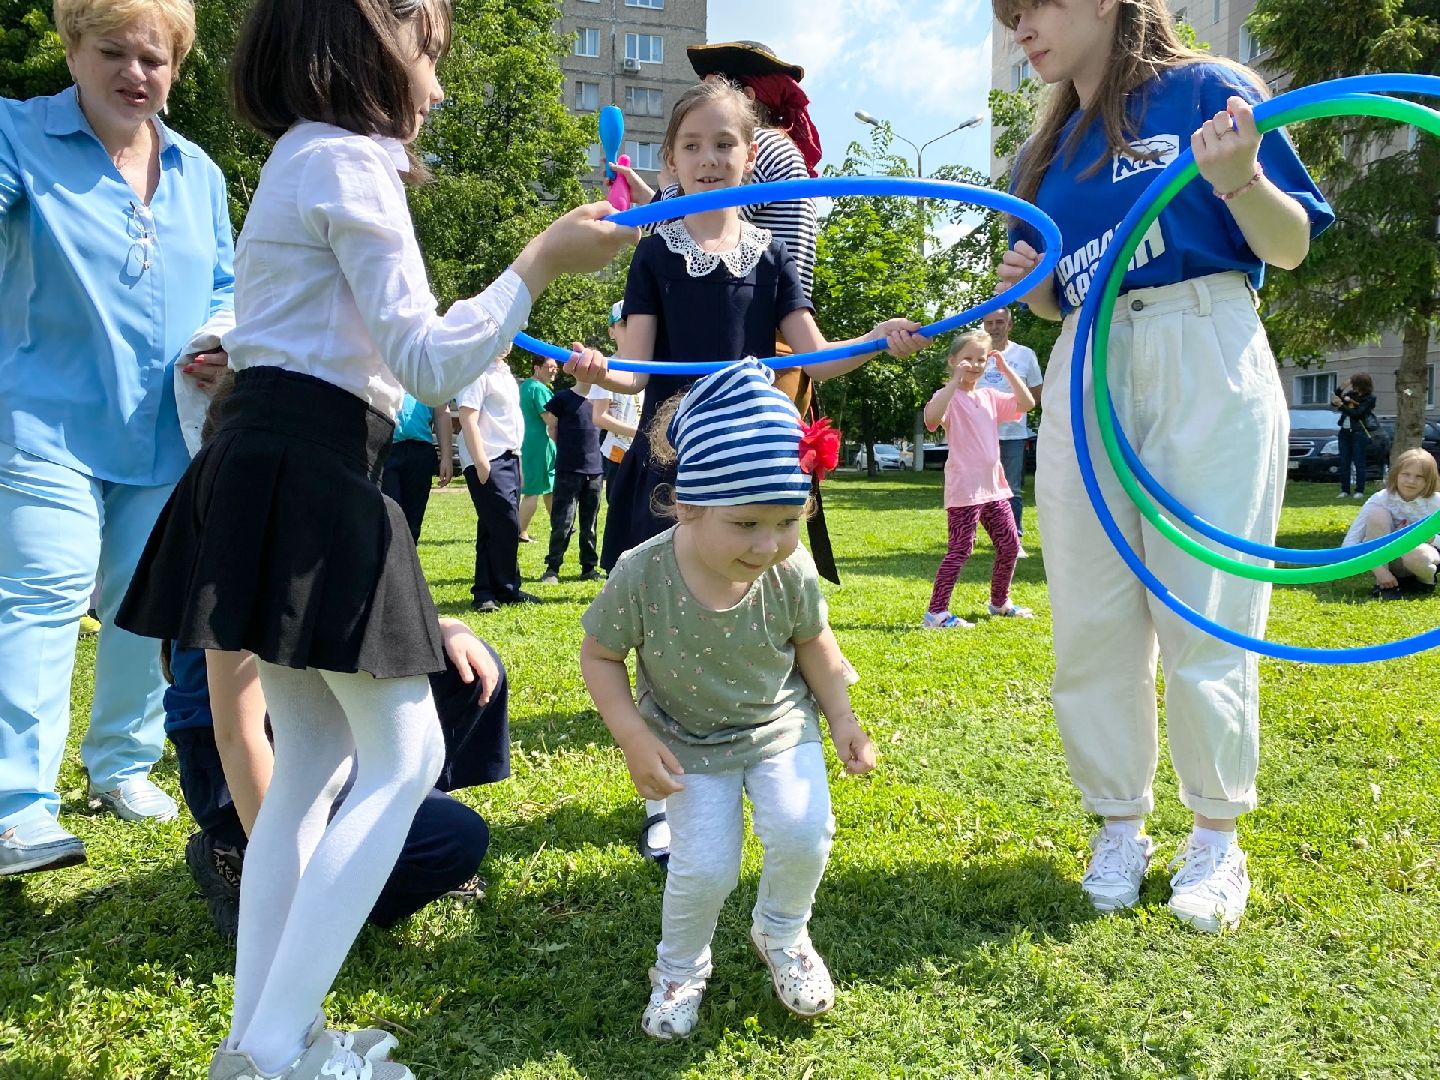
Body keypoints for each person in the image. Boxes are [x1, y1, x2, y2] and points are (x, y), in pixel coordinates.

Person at [114, 0, 635, 1076]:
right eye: (429, 51)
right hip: (305, 463)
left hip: (277, 454)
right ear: (368, 40)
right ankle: (271, 1045)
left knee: (312, 763)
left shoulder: (309, 161)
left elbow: (394, 347)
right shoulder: (348, 163)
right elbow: (432, 359)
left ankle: (262, 1040)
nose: (437, 83)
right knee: (410, 753)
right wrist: (540, 260)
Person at [994, 0, 1334, 932]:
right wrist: (1037, 291)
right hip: (1088, 368)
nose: (1020, 25)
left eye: (1035, 5)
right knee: (1094, 614)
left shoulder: (1207, 90)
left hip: (1201, 343)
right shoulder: (1046, 155)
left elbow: (1290, 244)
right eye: (1007, 13)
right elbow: (1063, 302)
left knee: (1206, 599)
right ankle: (1118, 825)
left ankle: (1217, 838)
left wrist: (1238, 181)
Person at [579, 79, 919, 867]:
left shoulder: (767, 256)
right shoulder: (656, 251)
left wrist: (875, 339)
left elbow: (815, 356)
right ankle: (669, 792)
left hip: (749, 461)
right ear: (668, 160)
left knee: (753, 604)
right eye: (692, 146)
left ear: (750, 157)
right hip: (676, 460)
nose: (708, 159)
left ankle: (764, 749)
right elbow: (636, 372)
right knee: (666, 620)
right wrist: (598, 370)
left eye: (724, 144)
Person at [0, 0, 237, 877]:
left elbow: (226, 281)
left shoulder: (199, 172)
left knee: (148, 603)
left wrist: (224, 337)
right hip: (40, 418)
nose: (135, 74)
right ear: (71, 49)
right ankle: (16, 806)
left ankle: (122, 766)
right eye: (113, 52)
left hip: (165, 431)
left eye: (155, 58)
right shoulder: (16, 135)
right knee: (47, 590)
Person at [578, 359, 876, 1041]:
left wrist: (844, 721)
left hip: (778, 724)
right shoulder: (641, 572)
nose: (768, 545)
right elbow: (600, 655)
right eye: (745, 524)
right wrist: (631, 734)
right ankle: (680, 967)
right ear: (688, 505)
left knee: (804, 831)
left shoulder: (789, 569)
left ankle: (783, 932)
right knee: (704, 867)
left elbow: (815, 645)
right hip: (687, 740)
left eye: (787, 521)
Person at [167, 616, 508, 942]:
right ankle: (238, 856)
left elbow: (365, 612)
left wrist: (445, 627)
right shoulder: (242, 563)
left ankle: (397, 825)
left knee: (468, 668)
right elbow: (239, 735)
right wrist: (276, 871)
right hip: (240, 754)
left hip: (317, 711)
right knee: (452, 841)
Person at [921, 331, 1035, 629]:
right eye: (967, 359)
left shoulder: (989, 397)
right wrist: (953, 382)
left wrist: (1006, 369)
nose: (974, 365)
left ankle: (1000, 602)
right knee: (960, 550)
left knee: (1010, 545)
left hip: (994, 488)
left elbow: (1027, 403)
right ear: (953, 361)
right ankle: (937, 613)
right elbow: (932, 419)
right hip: (965, 490)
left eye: (980, 360)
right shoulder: (948, 396)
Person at [455, 351, 536, 611]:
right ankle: (498, 588)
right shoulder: (476, 371)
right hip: (489, 458)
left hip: (509, 457)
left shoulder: (505, 374)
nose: (506, 343)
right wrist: (481, 462)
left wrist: (518, 460)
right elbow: (467, 417)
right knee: (506, 525)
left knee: (492, 527)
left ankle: (491, 592)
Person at [977, 307, 1044, 556]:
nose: (994, 327)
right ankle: (969, 538)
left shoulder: (1025, 355)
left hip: (1014, 433)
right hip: (979, 435)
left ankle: (1014, 540)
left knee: (1012, 489)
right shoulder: (974, 354)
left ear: (1010, 325)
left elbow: (1037, 395)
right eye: (989, 323)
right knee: (977, 487)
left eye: (999, 322)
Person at [1343, 448, 1440, 600]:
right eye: (1406, 474)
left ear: (1429, 480)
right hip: (1387, 560)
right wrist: (1378, 569)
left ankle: (1425, 582)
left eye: (1419, 477)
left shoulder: (1436, 502)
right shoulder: (1381, 498)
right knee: (1377, 513)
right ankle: (1383, 584)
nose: (1411, 481)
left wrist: (1430, 538)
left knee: (1415, 552)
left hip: (1423, 558)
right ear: (1395, 475)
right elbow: (1350, 543)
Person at [540, 375, 605, 584]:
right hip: (569, 469)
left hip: (595, 469)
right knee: (563, 521)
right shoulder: (562, 398)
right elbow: (552, 429)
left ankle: (589, 567)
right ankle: (553, 567)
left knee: (590, 523)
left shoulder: (600, 400)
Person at [381, 392, 453, 543]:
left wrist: (446, 457)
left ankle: (407, 563)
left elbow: (441, 413)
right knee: (390, 514)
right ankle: (389, 563)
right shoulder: (384, 368)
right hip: (385, 449)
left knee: (413, 520)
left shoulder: (426, 372)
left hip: (420, 451)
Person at [588, 301, 642, 500]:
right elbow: (599, 417)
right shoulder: (606, 368)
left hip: (649, 454)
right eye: (624, 324)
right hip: (620, 454)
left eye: (635, 324)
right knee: (620, 515)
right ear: (612, 332)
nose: (631, 330)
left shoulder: (654, 364)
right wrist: (638, 432)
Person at [518, 354, 558, 542]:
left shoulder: (525, 386)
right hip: (540, 443)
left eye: (555, 366)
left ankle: (559, 524)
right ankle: (520, 531)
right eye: (550, 366)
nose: (554, 370)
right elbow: (550, 419)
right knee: (533, 490)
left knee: (549, 487)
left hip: (531, 442)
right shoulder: (538, 389)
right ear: (536, 367)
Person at [1331, 373, 1378, 500]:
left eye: (1355, 384)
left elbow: (1357, 414)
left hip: (1359, 432)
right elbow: (1337, 397)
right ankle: (1345, 490)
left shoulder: (1370, 398)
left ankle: (1359, 490)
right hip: (1344, 432)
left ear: (1362, 385)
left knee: (1359, 462)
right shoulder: (1351, 394)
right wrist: (1341, 388)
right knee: (1344, 461)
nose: (1353, 387)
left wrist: (1341, 406)